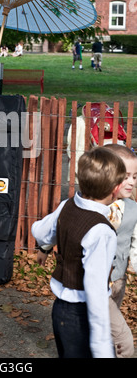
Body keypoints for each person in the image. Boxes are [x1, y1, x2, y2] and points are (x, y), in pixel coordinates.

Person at [31, 147, 126, 358]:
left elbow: (40, 230)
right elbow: (95, 290)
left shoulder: (67, 205)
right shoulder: (101, 231)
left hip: (60, 310)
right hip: (82, 315)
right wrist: (102, 348)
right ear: (116, 189)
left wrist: (49, 241)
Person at [104, 144, 137, 358]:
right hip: (98, 284)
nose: (132, 182)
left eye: (135, 176)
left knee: (105, 330)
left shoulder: (133, 208)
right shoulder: (97, 206)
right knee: (122, 338)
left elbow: (135, 243)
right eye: (126, 177)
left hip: (118, 280)